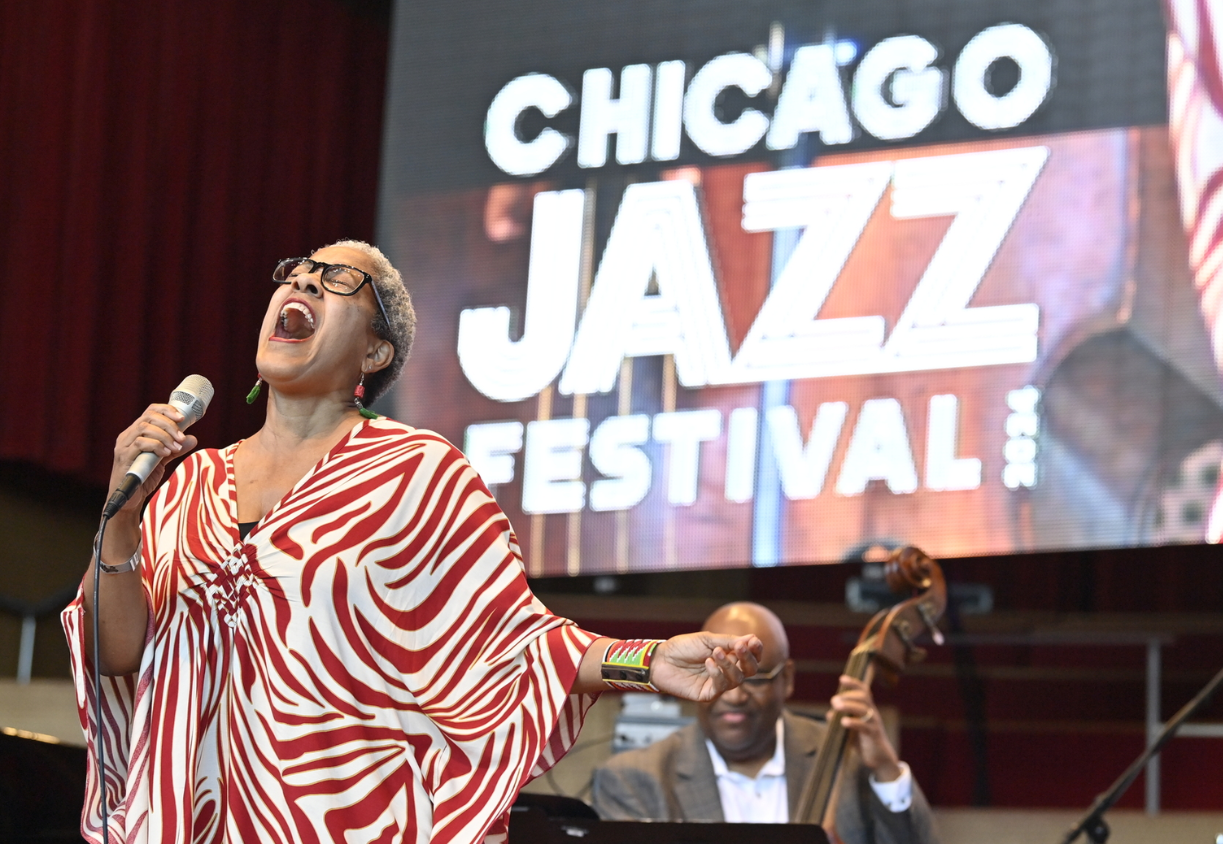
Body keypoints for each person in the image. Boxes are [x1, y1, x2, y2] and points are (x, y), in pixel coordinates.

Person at [66, 240, 762, 844]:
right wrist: (120, 513)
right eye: (297, 272)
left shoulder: (418, 473)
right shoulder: (187, 486)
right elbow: (115, 652)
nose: (303, 282)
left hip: (346, 821)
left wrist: (648, 661)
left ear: (375, 350)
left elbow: (520, 642)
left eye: (337, 281)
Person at [592, 602, 940, 844]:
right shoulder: (634, 779)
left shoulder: (848, 762)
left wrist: (885, 770)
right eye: (717, 674)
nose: (734, 695)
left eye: (754, 679)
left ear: (787, 680)